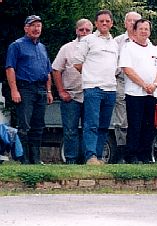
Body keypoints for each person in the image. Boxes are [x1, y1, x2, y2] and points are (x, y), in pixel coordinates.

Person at [5, 15, 53, 164]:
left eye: (39, 25)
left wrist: (49, 91)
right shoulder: (16, 45)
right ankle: (23, 160)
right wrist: (14, 90)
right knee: (24, 125)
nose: (36, 28)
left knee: (38, 126)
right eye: (33, 25)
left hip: (41, 89)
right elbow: (10, 68)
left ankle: (36, 160)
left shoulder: (42, 47)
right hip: (25, 88)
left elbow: (48, 71)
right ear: (26, 28)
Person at [72, 10, 119, 165]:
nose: (104, 23)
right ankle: (90, 156)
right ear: (96, 23)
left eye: (107, 21)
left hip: (111, 89)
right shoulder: (88, 40)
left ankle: (99, 156)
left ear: (112, 23)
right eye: (101, 21)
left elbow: (117, 67)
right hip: (93, 88)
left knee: (104, 125)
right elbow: (77, 63)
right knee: (91, 124)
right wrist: (90, 76)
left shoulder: (114, 43)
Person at [119, 19, 157, 164]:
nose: (144, 31)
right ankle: (131, 155)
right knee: (135, 125)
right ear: (135, 30)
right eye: (141, 29)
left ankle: (145, 155)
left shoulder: (154, 49)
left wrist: (154, 85)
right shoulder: (128, 48)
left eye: (146, 29)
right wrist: (144, 84)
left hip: (151, 94)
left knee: (148, 126)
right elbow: (127, 69)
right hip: (134, 93)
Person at [51, 18, 92, 164]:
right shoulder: (67, 48)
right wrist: (61, 91)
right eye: (82, 30)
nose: (84, 32)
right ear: (76, 31)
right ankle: (71, 160)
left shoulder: (96, 48)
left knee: (90, 129)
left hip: (91, 95)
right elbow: (56, 69)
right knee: (70, 130)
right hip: (71, 95)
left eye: (88, 30)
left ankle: (89, 159)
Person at [112, 11, 143, 163]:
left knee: (137, 120)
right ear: (125, 23)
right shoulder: (116, 42)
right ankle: (121, 152)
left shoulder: (145, 43)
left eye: (135, 21)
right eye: (129, 20)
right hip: (122, 82)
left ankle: (135, 153)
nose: (132, 23)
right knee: (122, 120)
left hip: (139, 85)